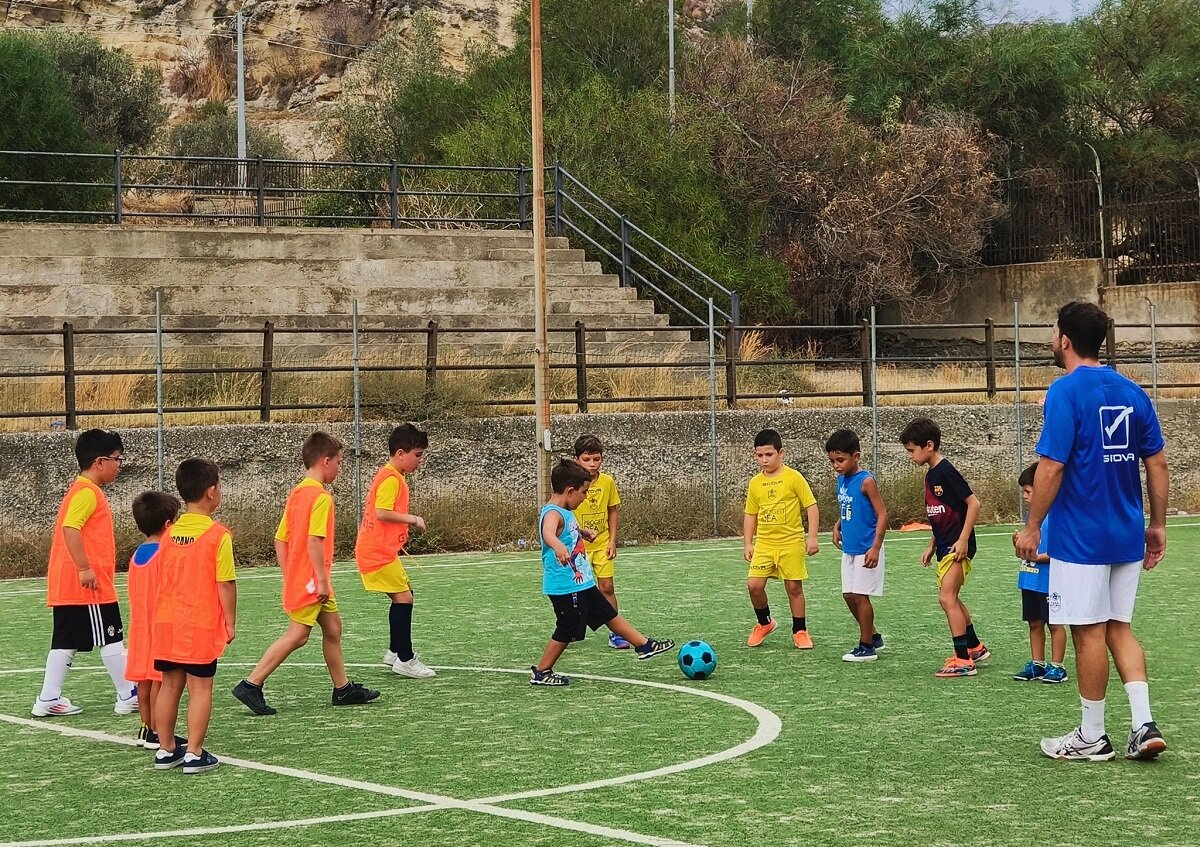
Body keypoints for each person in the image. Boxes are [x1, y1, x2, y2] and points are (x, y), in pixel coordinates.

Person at [1015, 301, 1169, 762]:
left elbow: (1052, 466)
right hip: (1126, 533)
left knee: (1087, 632)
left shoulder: (1064, 392)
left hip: (1081, 539)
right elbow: (1156, 462)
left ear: (1064, 338)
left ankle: (1092, 735)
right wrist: (1157, 525)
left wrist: (1032, 525)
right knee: (1119, 628)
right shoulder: (1132, 391)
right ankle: (1143, 724)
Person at [234, 432, 380, 715]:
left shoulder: (297, 493)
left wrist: (291, 573)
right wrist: (320, 580)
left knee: (333, 628)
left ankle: (343, 688)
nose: (339, 468)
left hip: (306, 576)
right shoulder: (321, 498)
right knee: (298, 635)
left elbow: (280, 539)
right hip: (314, 579)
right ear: (325, 461)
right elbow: (315, 540)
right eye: (338, 462)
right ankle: (251, 684)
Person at [529, 459, 674, 686]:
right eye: (584, 492)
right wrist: (557, 546)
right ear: (570, 491)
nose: (586, 497)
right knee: (567, 627)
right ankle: (542, 671)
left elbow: (567, 529)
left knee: (608, 614)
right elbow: (549, 532)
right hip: (565, 585)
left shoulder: (565, 511)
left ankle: (644, 645)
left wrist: (582, 532)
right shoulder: (552, 513)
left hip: (582, 582)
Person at [33, 429, 138, 718]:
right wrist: (85, 568)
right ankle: (128, 693)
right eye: (117, 459)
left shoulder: (80, 490)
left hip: (70, 584)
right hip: (88, 585)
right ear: (100, 461)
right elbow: (71, 528)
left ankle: (48, 698)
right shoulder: (88, 493)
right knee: (110, 636)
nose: (120, 465)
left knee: (65, 641)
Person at [151, 458, 237, 774]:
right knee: (200, 688)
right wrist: (230, 620)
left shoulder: (168, 533)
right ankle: (195, 752)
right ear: (212, 491)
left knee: (169, 684)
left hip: (167, 622)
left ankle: (165, 749)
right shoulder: (218, 535)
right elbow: (225, 582)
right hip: (197, 623)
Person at [900, 417, 990, 677]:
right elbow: (939, 514)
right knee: (951, 597)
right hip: (944, 545)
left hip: (957, 547)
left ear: (929, 445)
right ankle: (974, 647)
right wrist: (932, 543)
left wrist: (962, 540)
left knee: (946, 598)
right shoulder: (931, 475)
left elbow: (973, 504)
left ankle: (963, 661)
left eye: (911, 450)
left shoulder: (946, 471)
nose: (910, 456)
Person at [355, 423, 435, 679]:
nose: (420, 461)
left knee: (405, 593)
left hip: (379, 550)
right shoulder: (391, 478)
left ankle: (394, 651)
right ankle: (406, 658)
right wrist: (412, 519)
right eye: (417, 455)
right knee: (405, 599)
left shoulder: (390, 475)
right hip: (377, 552)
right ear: (401, 453)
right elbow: (381, 511)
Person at [743, 429, 820, 649]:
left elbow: (811, 506)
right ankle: (765, 623)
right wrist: (748, 542)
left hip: (791, 542)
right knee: (754, 585)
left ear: (781, 453)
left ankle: (800, 630)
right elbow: (751, 514)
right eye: (760, 456)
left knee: (794, 587)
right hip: (765, 544)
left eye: (769, 454)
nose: (764, 460)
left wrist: (812, 537)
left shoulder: (794, 477)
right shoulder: (755, 483)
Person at [825, 429, 887, 663]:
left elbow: (882, 514)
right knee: (849, 595)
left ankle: (866, 647)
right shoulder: (842, 480)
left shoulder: (867, 481)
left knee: (861, 596)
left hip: (866, 548)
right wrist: (838, 525)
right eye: (832, 461)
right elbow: (848, 507)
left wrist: (876, 547)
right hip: (849, 548)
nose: (836, 466)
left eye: (840, 460)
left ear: (856, 456)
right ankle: (873, 636)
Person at [126, 490, 181, 748]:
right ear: (169, 525)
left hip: (139, 627)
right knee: (160, 678)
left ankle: (147, 729)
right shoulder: (166, 554)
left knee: (144, 681)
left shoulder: (136, 555)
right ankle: (159, 731)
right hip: (160, 626)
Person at [1012, 464, 1068, 684]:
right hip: (1029, 580)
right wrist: (1018, 545)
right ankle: (1037, 664)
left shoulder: (1057, 517)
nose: (1025, 496)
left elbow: (1060, 552)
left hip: (1050, 582)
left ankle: (1058, 667)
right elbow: (1027, 552)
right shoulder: (1032, 519)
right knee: (1034, 623)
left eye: (1028, 491)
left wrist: (1036, 557)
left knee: (1054, 624)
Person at [572, 434, 626, 649]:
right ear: (577, 459)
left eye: (596, 459)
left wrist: (612, 540)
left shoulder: (607, 482)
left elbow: (613, 511)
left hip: (602, 543)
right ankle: (571, 630)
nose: (592, 464)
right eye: (586, 459)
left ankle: (616, 633)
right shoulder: (571, 484)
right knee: (575, 592)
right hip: (578, 547)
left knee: (607, 586)